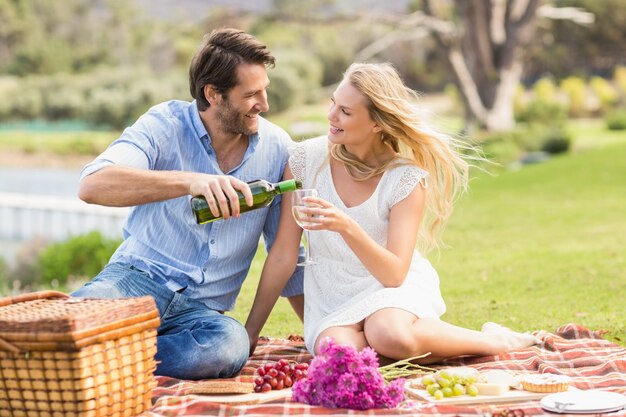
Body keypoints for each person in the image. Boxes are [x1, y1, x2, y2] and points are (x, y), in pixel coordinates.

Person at [245, 62, 539, 362]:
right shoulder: (306, 159)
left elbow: (394, 274)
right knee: (336, 355)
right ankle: (416, 342)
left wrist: (345, 225)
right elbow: (283, 254)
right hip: (332, 293)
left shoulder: (406, 179)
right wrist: (250, 332)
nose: (331, 115)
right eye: (334, 102)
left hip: (390, 287)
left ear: (377, 123)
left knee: (389, 335)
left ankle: (495, 341)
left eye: (346, 111)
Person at [72, 28, 304, 380]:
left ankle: (101, 359)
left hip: (203, 311)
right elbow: (93, 185)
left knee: (229, 347)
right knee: (71, 322)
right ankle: (105, 356)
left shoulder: (278, 148)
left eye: (265, 90)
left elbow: (285, 252)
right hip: (135, 281)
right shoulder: (163, 125)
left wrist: (256, 331)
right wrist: (189, 181)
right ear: (213, 94)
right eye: (251, 94)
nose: (265, 104)